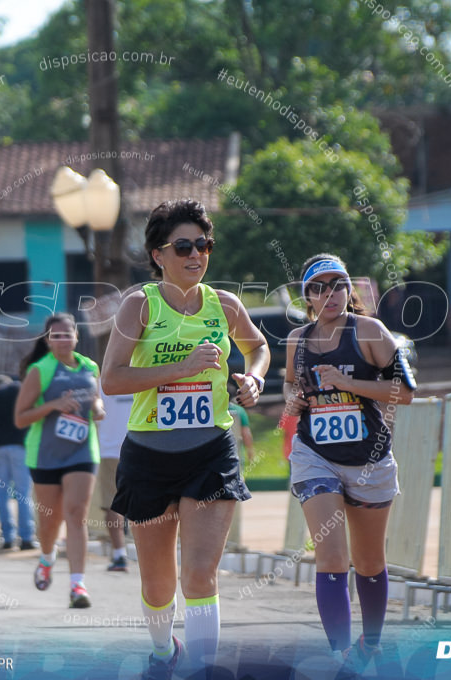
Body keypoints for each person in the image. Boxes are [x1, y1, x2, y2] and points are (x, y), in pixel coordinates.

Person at [100, 199, 270, 679]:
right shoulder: (140, 304)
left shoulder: (225, 304)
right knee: (158, 584)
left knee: (200, 574)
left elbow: (258, 346)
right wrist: (182, 367)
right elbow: (111, 380)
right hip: (149, 454)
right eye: (183, 246)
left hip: (210, 451)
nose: (196, 254)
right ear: (158, 254)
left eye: (203, 244)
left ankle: (203, 669)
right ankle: (162, 653)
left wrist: (254, 377)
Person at [283, 253, 415, 671]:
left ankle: (369, 644)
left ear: (349, 290)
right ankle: (340, 655)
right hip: (315, 456)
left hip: (370, 460)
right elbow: (291, 387)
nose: (330, 294)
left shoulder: (371, 331)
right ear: (307, 297)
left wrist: (348, 383)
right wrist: (293, 400)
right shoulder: (297, 341)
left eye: (338, 285)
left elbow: (406, 392)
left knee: (370, 562)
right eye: (319, 288)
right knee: (332, 557)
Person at [14, 313, 104, 608]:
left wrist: (98, 407)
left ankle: (77, 585)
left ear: (77, 337)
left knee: (76, 513)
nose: (63, 340)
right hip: (46, 453)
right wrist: (53, 405)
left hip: (82, 450)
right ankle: (47, 557)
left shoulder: (90, 366)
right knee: (50, 522)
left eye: (68, 334)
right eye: (57, 335)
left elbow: (96, 398)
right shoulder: (40, 370)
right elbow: (20, 418)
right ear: (48, 340)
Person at [0, 373, 36, 550]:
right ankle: (27, 537)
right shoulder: (20, 390)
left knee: (2, 494)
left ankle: (7, 537)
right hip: (21, 447)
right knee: (23, 493)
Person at [96, 389, 134, 571]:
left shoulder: (102, 382)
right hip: (138, 446)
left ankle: (119, 553)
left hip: (110, 450)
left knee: (112, 505)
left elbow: (95, 413)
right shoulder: (141, 375)